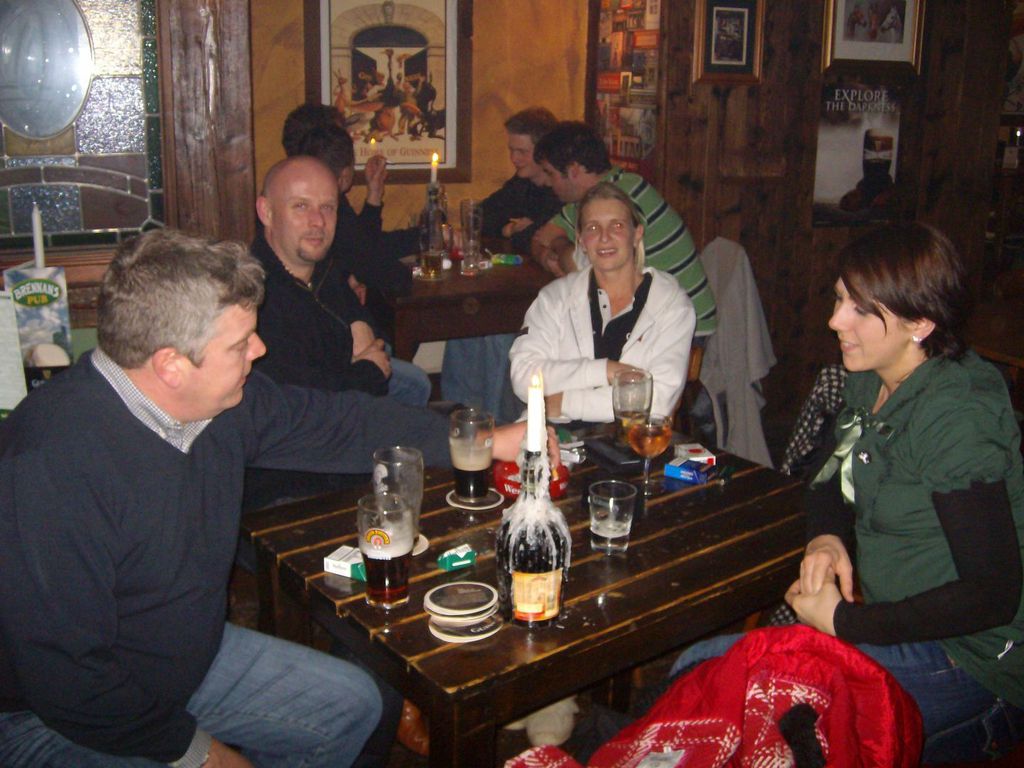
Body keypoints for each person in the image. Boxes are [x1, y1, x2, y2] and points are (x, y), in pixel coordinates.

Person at [0, 228, 540, 768]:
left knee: (354, 707)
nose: (259, 350)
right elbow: (67, 677)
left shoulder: (218, 405)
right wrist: (201, 754)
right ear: (171, 365)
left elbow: (339, 423)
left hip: (184, 659)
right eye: (240, 344)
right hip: (60, 717)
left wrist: (484, 442)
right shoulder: (52, 464)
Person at [673, 223, 1024, 762]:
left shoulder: (957, 415)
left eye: (861, 309)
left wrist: (845, 623)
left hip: (973, 662)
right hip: (893, 624)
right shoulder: (872, 376)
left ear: (920, 323)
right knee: (698, 670)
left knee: (747, 709)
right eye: (839, 299)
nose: (836, 321)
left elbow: (992, 594)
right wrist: (827, 538)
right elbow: (825, 479)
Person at [252, 154, 430, 407]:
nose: (318, 221)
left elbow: (350, 303)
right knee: (414, 387)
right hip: (311, 411)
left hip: (343, 371)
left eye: (327, 207)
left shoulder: (319, 264)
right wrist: (369, 372)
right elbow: (306, 401)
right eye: (301, 206)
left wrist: (359, 322)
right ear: (266, 212)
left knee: (417, 383)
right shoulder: (254, 296)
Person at [510, 182, 695, 422]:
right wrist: (605, 370)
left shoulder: (671, 304)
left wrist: (562, 402)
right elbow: (523, 377)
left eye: (616, 226)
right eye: (593, 228)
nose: (604, 237)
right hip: (551, 434)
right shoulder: (555, 298)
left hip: (632, 437)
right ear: (581, 241)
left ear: (636, 234)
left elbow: (657, 402)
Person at [529, 121, 717, 340]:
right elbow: (540, 238)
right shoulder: (587, 199)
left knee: (553, 336)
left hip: (680, 324)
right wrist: (548, 257)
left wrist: (559, 246)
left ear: (574, 171)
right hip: (640, 315)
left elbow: (584, 270)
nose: (547, 183)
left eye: (550, 173)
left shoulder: (623, 196)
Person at [441, 107, 562, 423]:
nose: (514, 158)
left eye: (522, 151)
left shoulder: (560, 190)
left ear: (544, 152)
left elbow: (546, 240)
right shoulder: (522, 184)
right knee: (466, 323)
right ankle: (460, 414)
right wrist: (514, 230)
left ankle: (497, 422)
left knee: (495, 330)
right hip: (520, 285)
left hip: (549, 295)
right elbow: (483, 215)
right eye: (511, 150)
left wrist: (520, 232)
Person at [281, 103, 418, 298]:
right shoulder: (320, 205)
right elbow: (374, 265)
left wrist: (374, 195)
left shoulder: (294, 190)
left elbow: (363, 245)